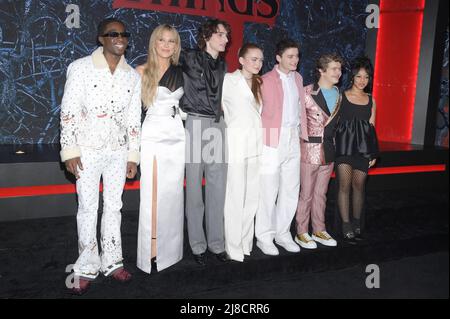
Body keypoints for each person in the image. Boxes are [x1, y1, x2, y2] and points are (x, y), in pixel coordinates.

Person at [60, 18, 141, 294]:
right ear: (101, 38)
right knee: (87, 207)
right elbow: (68, 112)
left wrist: (133, 155)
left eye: (123, 34)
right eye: (112, 33)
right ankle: (86, 265)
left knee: (114, 207)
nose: (120, 38)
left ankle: (113, 261)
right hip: (87, 150)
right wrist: (70, 150)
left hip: (118, 151)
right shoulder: (80, 68)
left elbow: (133, 119)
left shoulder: (132, 76)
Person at [180, 19, 231, 266]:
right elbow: (161, 62)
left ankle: (216, 244)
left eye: (227, 35)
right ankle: (197, 246)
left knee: (217, 185)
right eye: (221, 34)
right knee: (193, 186)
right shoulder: (189, 56)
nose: (226, 39)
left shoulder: (222, 64)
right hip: (196, 123)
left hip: (217, 124)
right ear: (208, 35)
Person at [136, 24, 185, 274]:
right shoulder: (141, 71)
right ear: (154, 42)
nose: (166, 45)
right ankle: (151, 251)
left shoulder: (181, 72)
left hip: (176, 134)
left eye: (172, 41)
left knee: (172, 194)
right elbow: (133, 114)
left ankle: (171, 252)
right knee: (153, 193)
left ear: (176, 46)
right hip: (153, 134)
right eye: (162, 40)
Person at [255, 39, 308, 256]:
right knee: (268, 190)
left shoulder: (298, 78)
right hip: (271, 137)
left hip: (293, 137)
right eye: (290, 56)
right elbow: (257, 113)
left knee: (290, 189)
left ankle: (283, 233)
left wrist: (301, 136)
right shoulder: (264, 80)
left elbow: (299, 109)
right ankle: (264, 237)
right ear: (278, 57)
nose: (295, 60)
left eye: (296, 56)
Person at [294, 54, 343, 250]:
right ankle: (301, 232)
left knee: (321, 193)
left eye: (339, 69)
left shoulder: (340, 95)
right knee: (306, 194)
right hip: (309, 149)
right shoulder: (306, 92)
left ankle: (319, 229)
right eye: (333, 69)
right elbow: (296, 122)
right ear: (321, 70)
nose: (338, 72)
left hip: (329, 150)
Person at [222, 43, 264, 262]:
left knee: (252, 198)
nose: (258, 63)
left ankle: (246, 242)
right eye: (254, 59)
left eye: (261, 60)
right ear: (241, 60)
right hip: (236, 145)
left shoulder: (259, 82)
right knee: (235, 196)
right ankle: (233, 245)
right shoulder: (229, 80)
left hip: (257, 146)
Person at [334, 56, 378, 243]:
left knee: (359, 186)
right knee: (344, 186)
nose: (362, 81)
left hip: (362, 150)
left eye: (366, 77)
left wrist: (372, 153)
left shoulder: (371, 100)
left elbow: (372, 127)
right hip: (344, 149)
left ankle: (357, 223)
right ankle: (346, 226)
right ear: (352, 77)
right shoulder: (341, 97)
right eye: (359, 76)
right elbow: (333, 122)